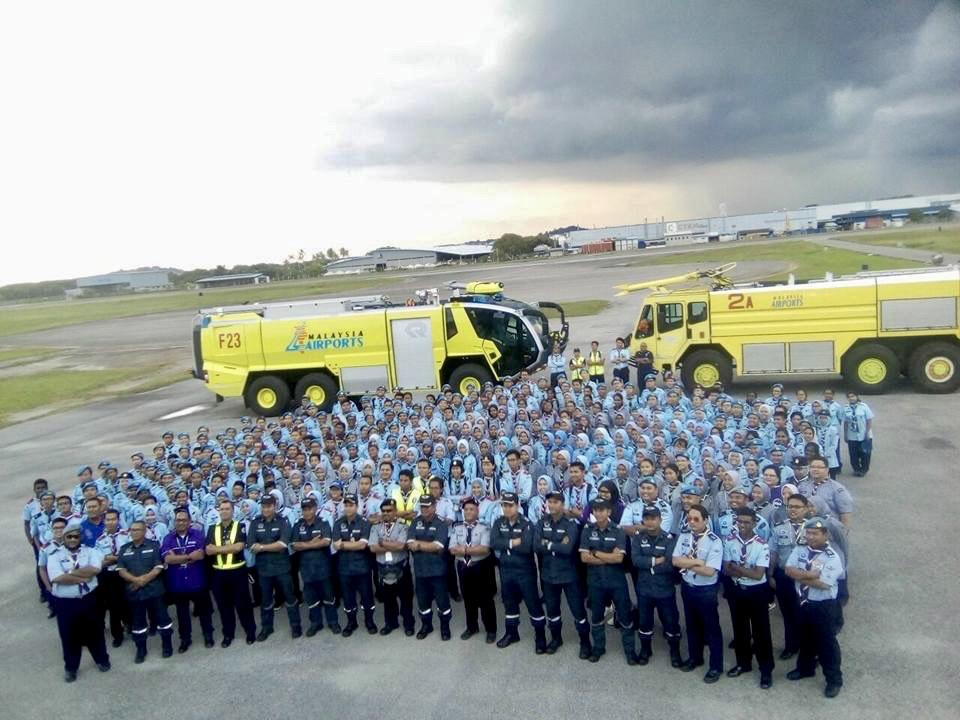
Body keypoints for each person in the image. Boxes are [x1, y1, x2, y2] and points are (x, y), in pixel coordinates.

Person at [785, 517, 844, 698]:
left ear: (825, 535)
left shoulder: (833, 557)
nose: (810, 537)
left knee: (827, 644)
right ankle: (805, 669)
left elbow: (823, 584)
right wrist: (810, 574)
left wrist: (799, 575)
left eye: (815, 534)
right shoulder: (800, 548)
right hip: (804, 602)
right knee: (805, 639)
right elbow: (788, 570)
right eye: (808, 533)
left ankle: (834, 680)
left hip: (823, 605)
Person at [47, 519, 111, 682]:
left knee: (95, 632)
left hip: (89, 599)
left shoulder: (90, 552)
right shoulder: (54, 555)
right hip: (67, 603)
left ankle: (102, 660)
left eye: (76, 537)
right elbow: (57, 577)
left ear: (80, 538)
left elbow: (95, 570)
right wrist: (84, 576)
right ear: (64, 538)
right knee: (69, 636)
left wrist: (71, 573)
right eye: (69, 537)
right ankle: (71, 668)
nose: (73, 540)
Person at [535, 490, 591, 658]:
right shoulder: (541, 522)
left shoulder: (570, 524)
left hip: (569, 575)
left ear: (562, 504)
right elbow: (536, 545)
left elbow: (567, 549)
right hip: (548, 574)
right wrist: (555, 544)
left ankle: (585, 642)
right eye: (550, 502)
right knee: (552, 611)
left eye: (556, 502)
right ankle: (556, 639)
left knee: (578, 611)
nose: (552, 505)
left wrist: (548, 544)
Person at [578, 497, 635, 664]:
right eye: (595, 510)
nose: (598, 513)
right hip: (595, 581)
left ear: (609, 511)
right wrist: (608, 556)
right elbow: (583, 557)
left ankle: (630, 651)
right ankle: (598, 648)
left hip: (616, 581)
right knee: (596, 616)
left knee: (624, 616)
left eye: (602, 510)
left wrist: (596, 553)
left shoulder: (618, 530)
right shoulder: (588, 529)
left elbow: (619, 559)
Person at [722, 508, 774, 689]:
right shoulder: (729, 541)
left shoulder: (762, 545)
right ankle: (743, 663)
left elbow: (758, 574)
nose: (742, 525)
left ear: (754, 523)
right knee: (740, 629)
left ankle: (766, 670)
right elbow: (727, 569)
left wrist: (738, 568)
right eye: (739, 522)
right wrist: (744, 570)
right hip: (737, 590)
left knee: (761, 631)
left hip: (757, 592)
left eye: (747, 522)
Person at [672, 504, 725, 683]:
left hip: (706, 590)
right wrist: (697, 562)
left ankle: (716, 666)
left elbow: (710, 571)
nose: (692, 522)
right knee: (691, 625)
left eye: (696, 519)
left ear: (705, 520)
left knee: (712, 629)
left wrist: (687, 562)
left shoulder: (714, 540)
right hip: (688, 586)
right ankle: (695, 658)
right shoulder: (685, 536)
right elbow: (675, 560)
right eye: (689, 519)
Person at [490, 491, 546, 652]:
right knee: (509, 603)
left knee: (533, 603)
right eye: (504, 505)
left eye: (510, 505)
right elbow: (494, 542)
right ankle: (511, 633)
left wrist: (505, 543)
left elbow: (527, 546)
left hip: (524, 570)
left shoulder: (527, 524)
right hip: (506, 569)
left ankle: (540, 635)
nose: (507, 509)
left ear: (517, 505)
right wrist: (513, 542)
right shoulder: (498, 522)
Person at [631, 507, 683, 668]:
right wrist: (655, 562)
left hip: (664, 589)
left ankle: (675, 651)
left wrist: (649, 566)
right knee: (645, 622)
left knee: (671, 621)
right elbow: (636, 561)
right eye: (647, 518)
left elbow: (670, 564)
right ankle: (646, 650)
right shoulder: (638, 538)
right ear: (643, 520)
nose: (650, 522)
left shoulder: (669, 539)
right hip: (644, 589)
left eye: (653, 518)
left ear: (660, 520)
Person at [116, 520, 174, 663]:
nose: (134, 532)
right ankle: (141, 650)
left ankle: (167, 646)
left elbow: (158, 567)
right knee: (138, 623)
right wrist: (136, 581)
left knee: (163, 620)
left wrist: (143, 580)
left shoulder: (153, 546)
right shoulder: (124, 549)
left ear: (144, 531)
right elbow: (121, 570)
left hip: (155, 591)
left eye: (137, 530)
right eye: (132, 530)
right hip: (135, 593)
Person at [161, 507, 215, 652]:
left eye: (184, 520)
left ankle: (208, 635)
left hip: (197, 581)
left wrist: (177, 557)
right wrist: (189, 557)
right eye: (178, 520)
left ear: (190, 522)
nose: (181, 522)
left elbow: (201, 555)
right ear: (174, 522)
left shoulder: (198, 535)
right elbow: (168, 558)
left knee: (204, 612)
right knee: (182, 615)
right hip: (178, 584)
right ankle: (185, 639)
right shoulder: (168, 538)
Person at [247, 495, 301, 640]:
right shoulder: (255, 522)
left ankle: (296, 627)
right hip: (264, 570)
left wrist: (262, 547)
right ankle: (267, 628)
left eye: (269, 506)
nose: (266, 509)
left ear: (274, 506)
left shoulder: (283, 521)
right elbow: (251, 545)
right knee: (266, 601)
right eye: (263, 506)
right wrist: (271, 546)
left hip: (282, 568)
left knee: (290, 598)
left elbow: (283, 544)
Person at [205, 498, 257, 647]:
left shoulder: (239, 526)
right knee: (223, 606)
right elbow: (208, 550)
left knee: (243, 605)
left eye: (227, 509)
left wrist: (218, 549)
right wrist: (227, 547)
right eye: (221, 509)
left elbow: (238, 547)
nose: (224, 511)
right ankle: (228, 634)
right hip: (219, 574)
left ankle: (250, 631)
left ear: (233, 511)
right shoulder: (212, 528)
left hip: (237, 572)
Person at [449, 497, 497, 643]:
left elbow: (484, 549)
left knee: (486, 599)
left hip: (481, 567)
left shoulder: (484, 527)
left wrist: (463, 549)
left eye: (471, 509)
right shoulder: (457, 528)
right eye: (466, 510)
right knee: (468, 599)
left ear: (477, 511)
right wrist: (469, 550)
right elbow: (451, 549)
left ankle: (490, 629)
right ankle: (472, 627)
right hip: (464, 567)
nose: (468, 512)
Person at [291, 497, 341, 636]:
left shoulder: (322, 523)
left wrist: (304, 544)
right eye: (304, 509)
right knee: (311, 598)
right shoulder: (298, 524)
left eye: (310, 509)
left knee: (329, 597)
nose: (307, 512)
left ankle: (333, 622)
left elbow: (325, 542)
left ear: (315, 509)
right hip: (306, 569)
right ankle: (315, 623)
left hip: (323, 567)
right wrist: (312, 543)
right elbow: (295, 545)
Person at [406, 494, 453, 640]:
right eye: (422, 506)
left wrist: (419, 544)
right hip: (420, 570)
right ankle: (426, 625)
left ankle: (445, 626)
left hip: (437, 570)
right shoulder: (415, 522)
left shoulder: (441, 523)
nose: (424, 509)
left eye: (427, 506)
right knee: (422, 601)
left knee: (442, 602)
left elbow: (439, 546)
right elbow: (410, 544)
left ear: (434, 506)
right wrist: (428, 545)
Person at [368, 498, 415, 637]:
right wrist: (390, 544)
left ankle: (408, 624)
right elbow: (372, 547)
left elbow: (401, 546)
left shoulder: (403, 527)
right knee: (388, 599)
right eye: (383, 511)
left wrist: (382, 542)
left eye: (389, 510)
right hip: (383, 568)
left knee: (406, 599)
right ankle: (390, 623)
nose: (386, 513)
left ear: (395, 512)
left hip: (401, 567)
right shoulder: (376, 527)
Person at [333, 493, 377, 637]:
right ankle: (351, 622)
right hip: (344, 567)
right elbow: (336, 545)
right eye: (346, 505)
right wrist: (352, 543)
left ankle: (369, 621)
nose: (348, 508)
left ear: (357, 506)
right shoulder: (338, 523)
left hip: (362, 566)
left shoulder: (364, 522)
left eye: (351, 505)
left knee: (367, 597)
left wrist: (345, 544)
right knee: (348, 597)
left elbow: (363, 545)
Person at [94, 508, 129, 648]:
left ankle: (130, 626)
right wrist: (117, 558)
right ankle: (117, 635)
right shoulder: (100, 540)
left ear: (118, 520)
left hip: (125, 573)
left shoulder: (126, 535)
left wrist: (110, 557)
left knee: (127, 602)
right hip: (108, 576)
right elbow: (100, 562)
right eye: (108, 519)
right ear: (104, 521)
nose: (111, 522)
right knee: (113, 606)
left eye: (114, 519)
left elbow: (128, 556)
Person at [842, 391, 873, 476]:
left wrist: (867, 432)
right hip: (852, 435)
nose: (851, 398)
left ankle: (864, 470)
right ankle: (856, 469)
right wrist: (845, 434)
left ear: (857, 397)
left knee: (865, 454)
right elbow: (845, 422)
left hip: (864, 434)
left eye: (853, 396)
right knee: (853, 454)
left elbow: (869, 420)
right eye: (849, 397)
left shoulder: (864, 406)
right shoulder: (845, 408)